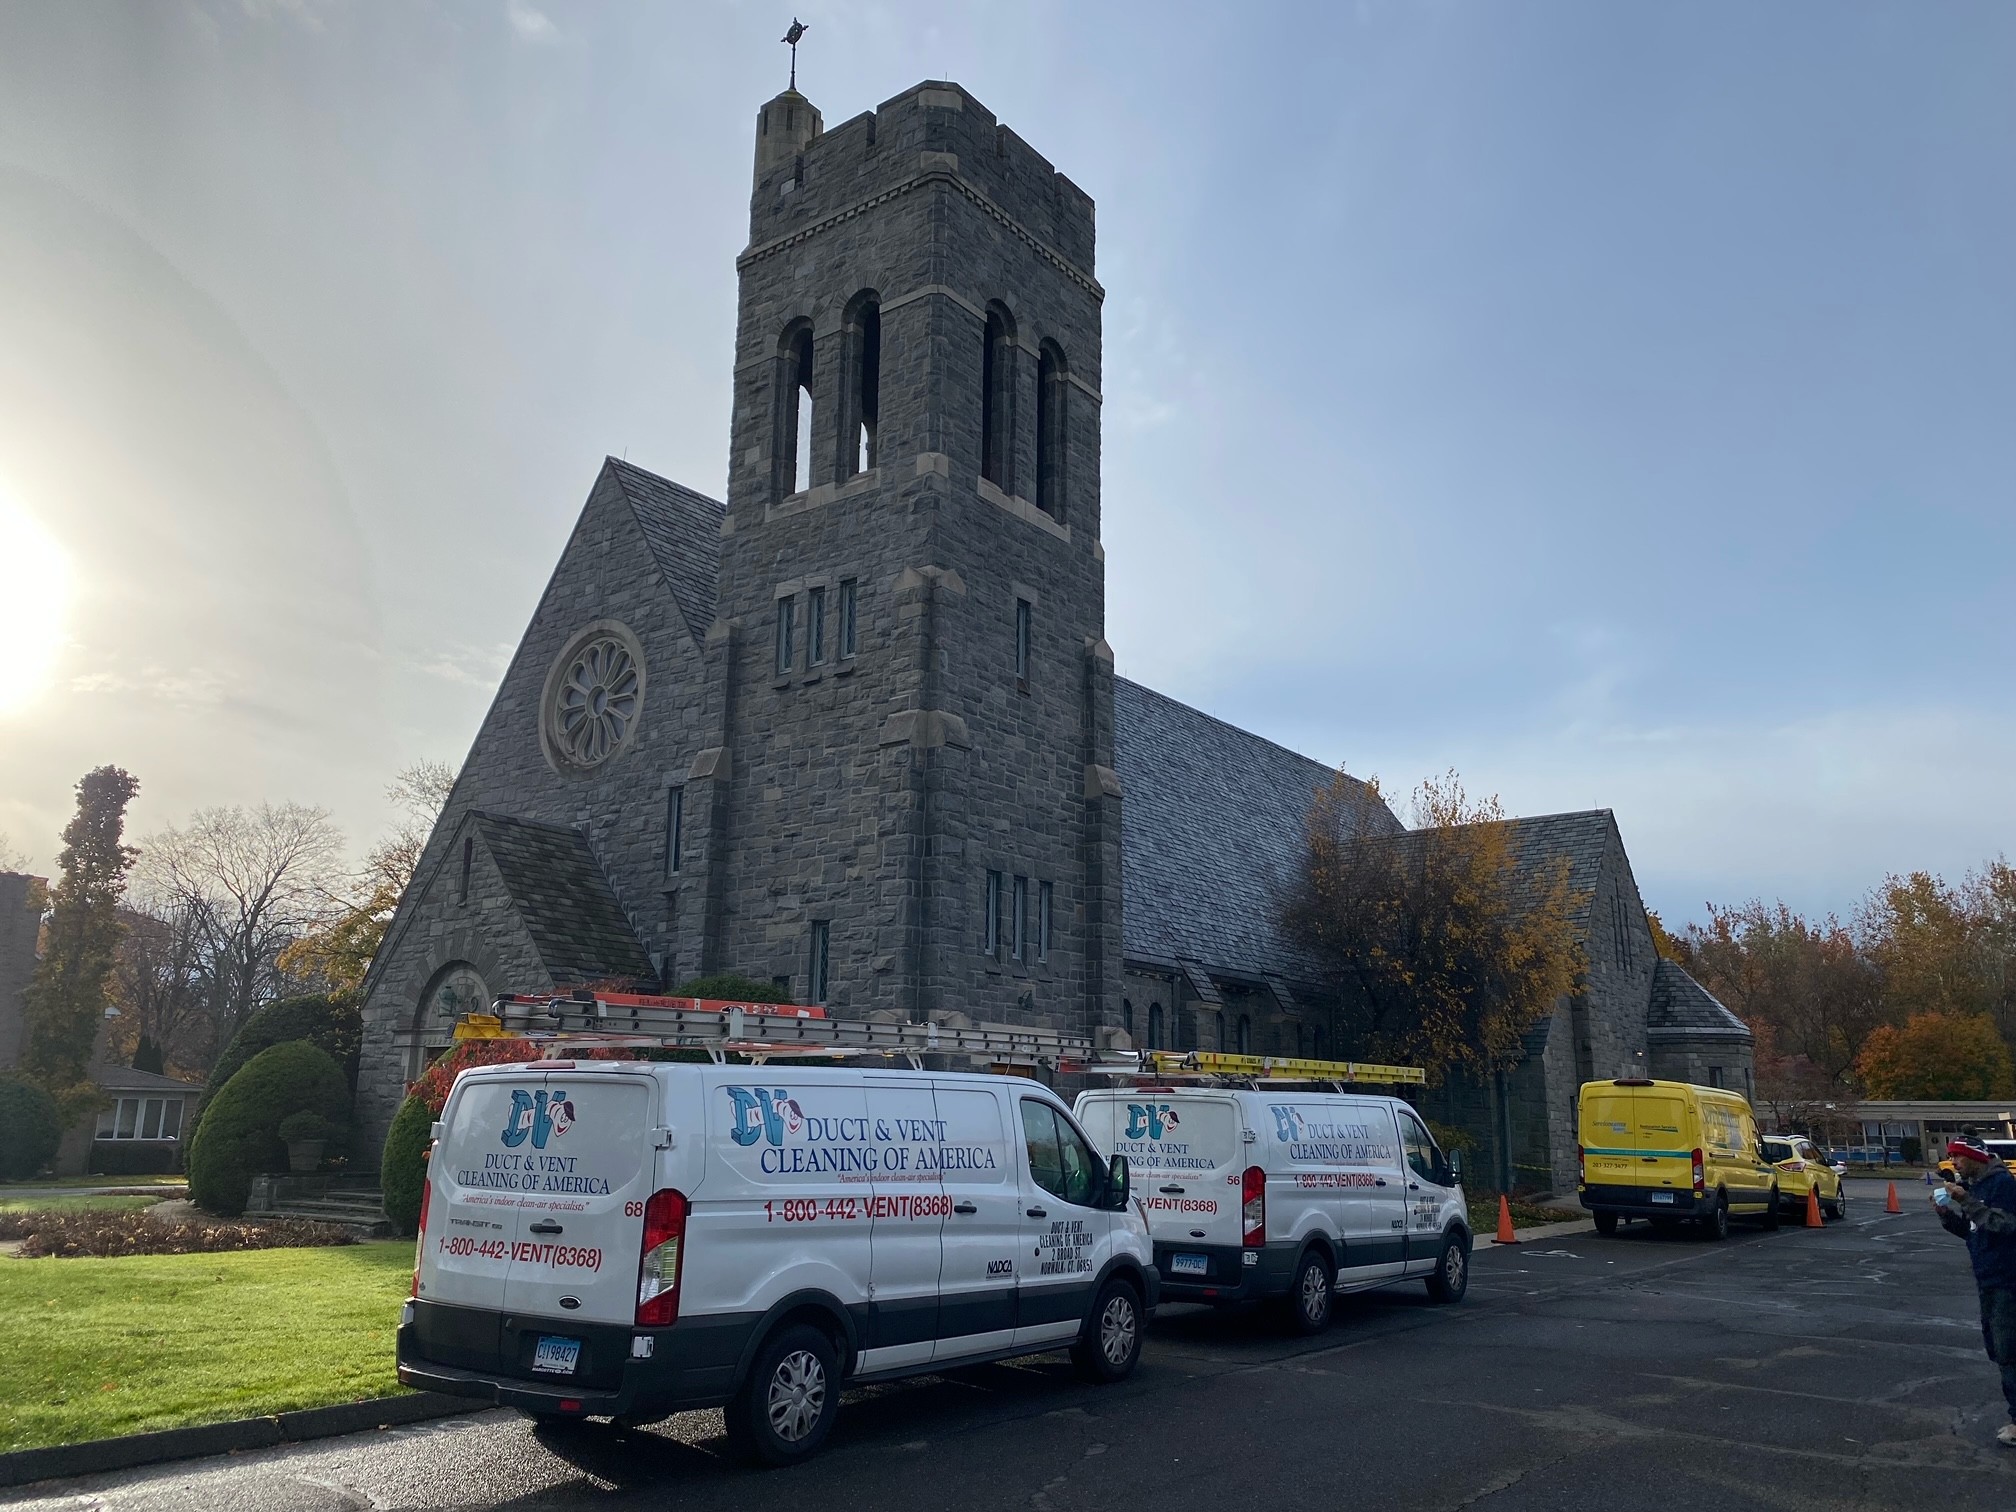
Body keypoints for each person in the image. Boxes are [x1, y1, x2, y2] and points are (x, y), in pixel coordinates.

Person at [1934, 1137, 2016, 1446]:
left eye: (1957, 1157)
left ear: (1975, 1158)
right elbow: (1975, 1234)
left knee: (2009, 1351)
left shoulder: (2001, 1185)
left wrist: (1966, 1200)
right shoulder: (1978, 1186)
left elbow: (2003, 1225)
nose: (1953, 1163)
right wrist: (1947, 1216)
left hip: (2008, 1279)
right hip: (1988, 1280)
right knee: (1998, 1349)